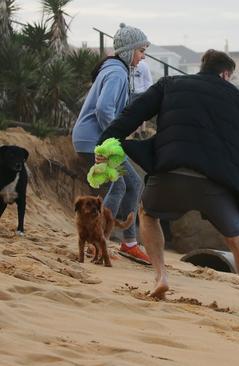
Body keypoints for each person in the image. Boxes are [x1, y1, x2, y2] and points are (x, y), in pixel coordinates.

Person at [97, 50, 239, 315]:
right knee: (237, 240)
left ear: (203, 67)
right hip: (215, 183)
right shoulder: (238, 98)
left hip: (170, 173)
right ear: (225, 74)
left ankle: (161, 276)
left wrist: (105, 143)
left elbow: (132, 114)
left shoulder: (170, 85)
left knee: (148, 213)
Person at [71, 23, 151, 265]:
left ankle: (120, 242)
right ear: (128, 51)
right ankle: (109, 241)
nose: (143, 56)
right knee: (128, 185)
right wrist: (116, 133)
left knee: (127, 185)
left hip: (91, 139)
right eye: (141, 51)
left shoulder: (115, 68)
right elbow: (104, 108)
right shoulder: (117, 72)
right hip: (96, 141)